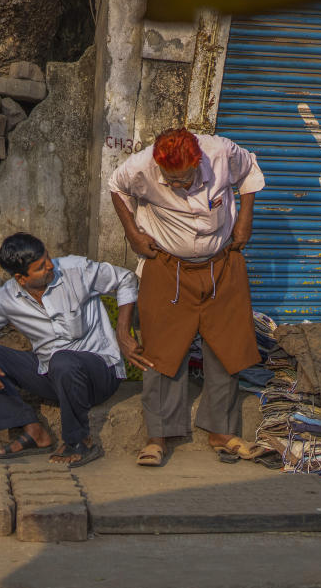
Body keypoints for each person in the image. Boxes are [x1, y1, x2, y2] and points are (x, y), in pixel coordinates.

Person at [108, 127, 265, 466]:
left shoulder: (221, 151)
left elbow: (250, 170)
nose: (178, 187)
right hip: (166, 267)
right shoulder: (139, 167)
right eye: (171, 180)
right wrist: (133, 234)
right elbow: (116, 187)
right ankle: (158, 436)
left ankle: (221, 431)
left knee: (227, 346)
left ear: (198, 160)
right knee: (162, 352)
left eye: (185, 178)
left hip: (222, 262)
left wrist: (245, 221)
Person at [0, 233, 147, 467]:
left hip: (100, 373)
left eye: (47, 257)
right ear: (21, 279)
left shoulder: (75, 270)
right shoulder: (5, 299)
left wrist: (122, 333)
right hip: (53, 376)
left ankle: (79, 440)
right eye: (41, 267)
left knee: (62, 361)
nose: (50, 265)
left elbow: (125, 279)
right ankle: (32, 429)